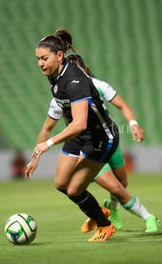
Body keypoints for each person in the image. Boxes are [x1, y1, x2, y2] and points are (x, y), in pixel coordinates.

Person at [25, 29, 119, 242]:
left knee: (75, 189)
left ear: (59, 56)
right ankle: (98, 212)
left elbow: (79, 123)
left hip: (101, 137)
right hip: (79, 136)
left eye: (44, 58)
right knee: (61, 184)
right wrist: (35, 158)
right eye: (38, 59)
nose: (40, 63)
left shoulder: (74, 79)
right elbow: (53, 125)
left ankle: (105, 225)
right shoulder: (54, 76)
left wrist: (48, 144)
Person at [47, 54, 158, 233]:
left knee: (123, 182)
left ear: (83, 69)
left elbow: (123, 106)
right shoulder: (61, 94)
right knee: (115, 188)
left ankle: (111, 209)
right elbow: (49, 125)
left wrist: (133, 124)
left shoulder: (97, 85)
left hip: (108, 138)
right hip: (89, 145)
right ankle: (146, 217)